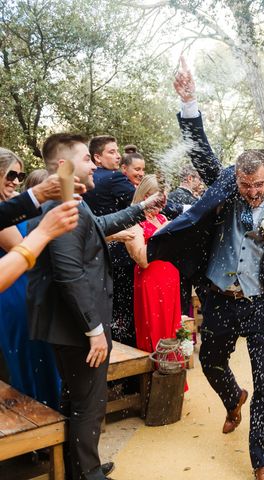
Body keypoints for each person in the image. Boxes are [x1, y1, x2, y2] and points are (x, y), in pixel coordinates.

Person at [150, 57, 264, 480]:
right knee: (210, 361)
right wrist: (189, 102)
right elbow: (201, 149)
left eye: (259, 185)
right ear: (235, 180)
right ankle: (231, 396)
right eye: (246, 187)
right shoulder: (224, 183)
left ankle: (262, 459)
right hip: (218, 299)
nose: (254, 193)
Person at [27, 133, 164, 480]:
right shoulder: (61, 206)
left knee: (78, 398)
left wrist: (139, 210)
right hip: (76, 326)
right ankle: (88, 473)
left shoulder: (73, 200)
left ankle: (81, 465)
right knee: (89, 404)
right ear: (64, 167)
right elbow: (69, 274)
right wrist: (95, 330)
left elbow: (97, 226)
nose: (94, 164)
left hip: (73, 324)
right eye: (86, 158)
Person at [0, 150, 61, 407]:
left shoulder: (12, 204)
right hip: (13, 291)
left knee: (42, 357)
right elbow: (23, 248)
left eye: (20, 175)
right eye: (10, 174)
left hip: (30, 289)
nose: (15, 181)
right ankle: (37, 421)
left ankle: (49, 414)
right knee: (27, 359)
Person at [125, 175, 182, 357]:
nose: (161, 207)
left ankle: (173, 373)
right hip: (151, 281)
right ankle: (157, 373)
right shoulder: (133, 220)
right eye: (157, 202)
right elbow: (141, 259)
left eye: (163, 202)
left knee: (171, 329)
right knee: (154, 328)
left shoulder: (162, 218)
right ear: (145, 197)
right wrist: (162, 233)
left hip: (170, 279)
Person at [168, 165, 202, 314]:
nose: (200, 182)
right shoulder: (193, 200)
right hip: (189, 255)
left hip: (172, 254)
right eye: (198, 179)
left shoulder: (170, 197)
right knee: (185, 296)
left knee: (176, 295)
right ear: (190, 178)